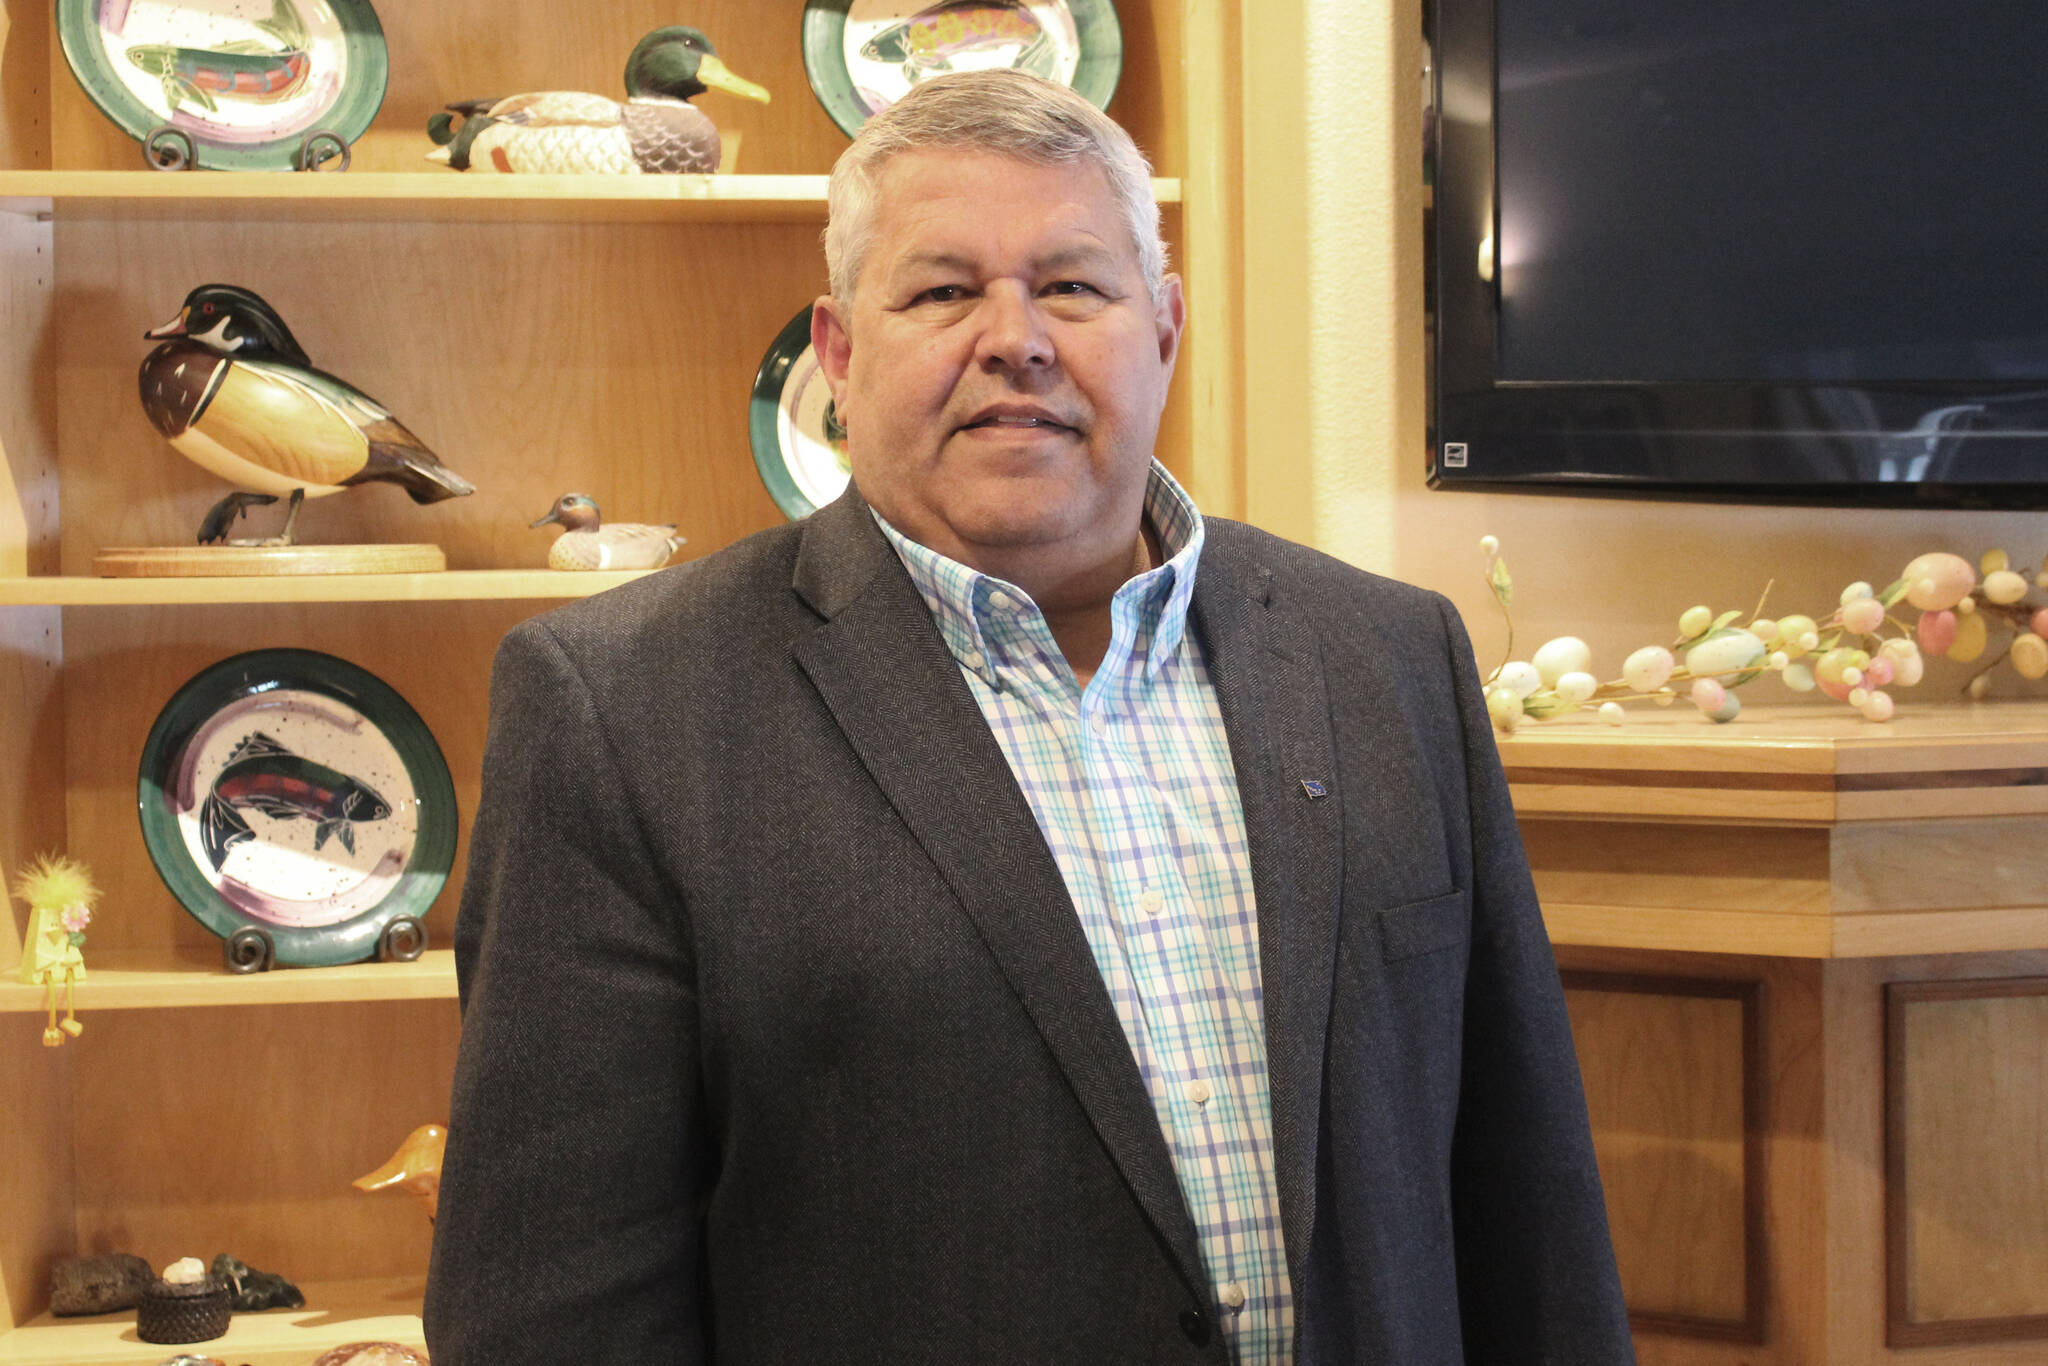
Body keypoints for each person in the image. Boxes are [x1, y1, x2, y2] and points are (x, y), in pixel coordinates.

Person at [424, 69, 1633, 1365]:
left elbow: (1530, 1209)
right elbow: (551, 1312)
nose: (1018, 337)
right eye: (943, 290)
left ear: (1163, 325)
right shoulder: (626, 710)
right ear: (837, 353)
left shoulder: (1387, 657)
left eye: (1073, 285)